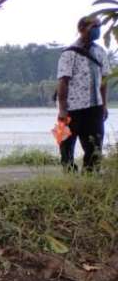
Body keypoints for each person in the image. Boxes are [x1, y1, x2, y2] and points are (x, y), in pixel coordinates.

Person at [57, 16, 110, 173]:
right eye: (94, 26)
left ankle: (90, 175)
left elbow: (104, 80)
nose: (97, 30)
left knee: (95, 145)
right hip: (71, 107)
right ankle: (69, 174)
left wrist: (105, 105)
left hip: (94, 107)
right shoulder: (68, 53)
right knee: (65, 144)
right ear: (81, 29)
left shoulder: (100, 52)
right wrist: (62, 109)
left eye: (99, 26)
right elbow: (63, 82)